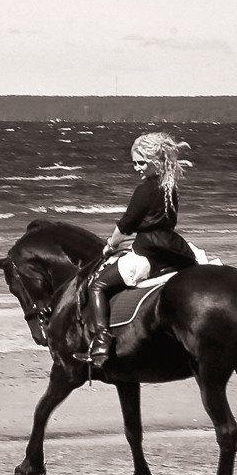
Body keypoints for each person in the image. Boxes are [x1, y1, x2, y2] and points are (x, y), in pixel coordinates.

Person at [87, 132, 200, 368]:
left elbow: (125, 225)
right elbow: (164, 223)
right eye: (134, 163)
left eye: (141, 163)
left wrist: (110, 245)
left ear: (155, 161)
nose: (137, 168)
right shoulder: (169, 187)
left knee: (97, 285)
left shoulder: (145, 190)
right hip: (173, 247)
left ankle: (101, 340)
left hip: (149, 253)